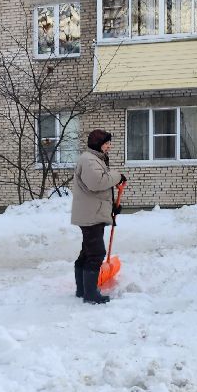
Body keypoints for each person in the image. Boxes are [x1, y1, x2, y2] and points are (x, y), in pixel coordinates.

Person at [71, 129, 126, 305]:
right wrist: (117, 176)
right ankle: (90, 294)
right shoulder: (88, 160)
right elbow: (97, 183)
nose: (109, 146)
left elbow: (99, 190)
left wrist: (112, 208)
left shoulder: (94, 159)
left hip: (93, 212)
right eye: (106, 143)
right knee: (96, 254)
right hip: (91, 215)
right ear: (98, 143)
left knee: (87, 252)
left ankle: (83, 290)